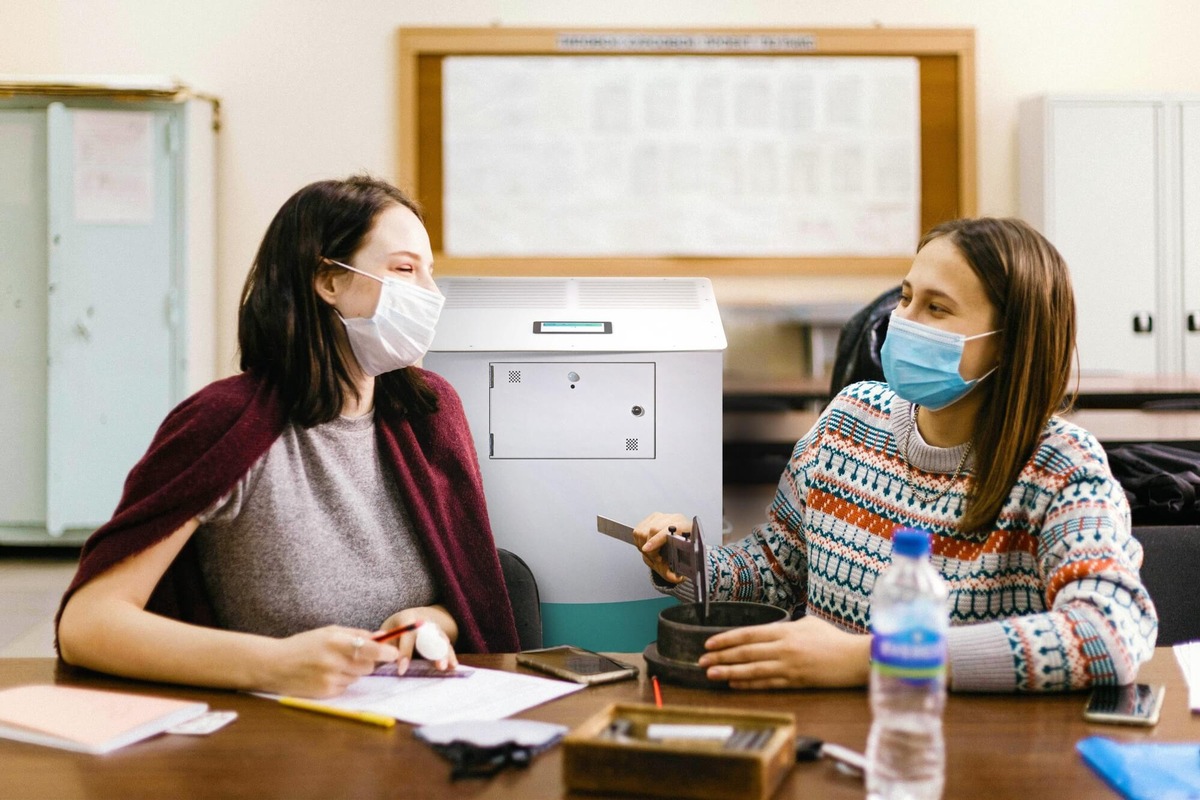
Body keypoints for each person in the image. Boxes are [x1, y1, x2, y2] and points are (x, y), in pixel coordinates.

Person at [636, 217, 1157, 692]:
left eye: (936, 307)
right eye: (905, 297)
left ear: (1008, 342)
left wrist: (871, 659)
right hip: (836, 743)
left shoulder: (1061, 465)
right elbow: (775, 569)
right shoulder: (848, 419)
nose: (901, 321)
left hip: (971, 752)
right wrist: (689, 562)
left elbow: (1107, 633)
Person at [56, 175, 519, 698]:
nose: (430, 296)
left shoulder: (430, 413)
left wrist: (430, 620)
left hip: (408, 720)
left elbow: (468, 592)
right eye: (404, 270)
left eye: (429, 274)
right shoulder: (223, 422)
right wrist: (272, 663)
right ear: (328, 280)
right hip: (262, 731)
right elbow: (88, 624)